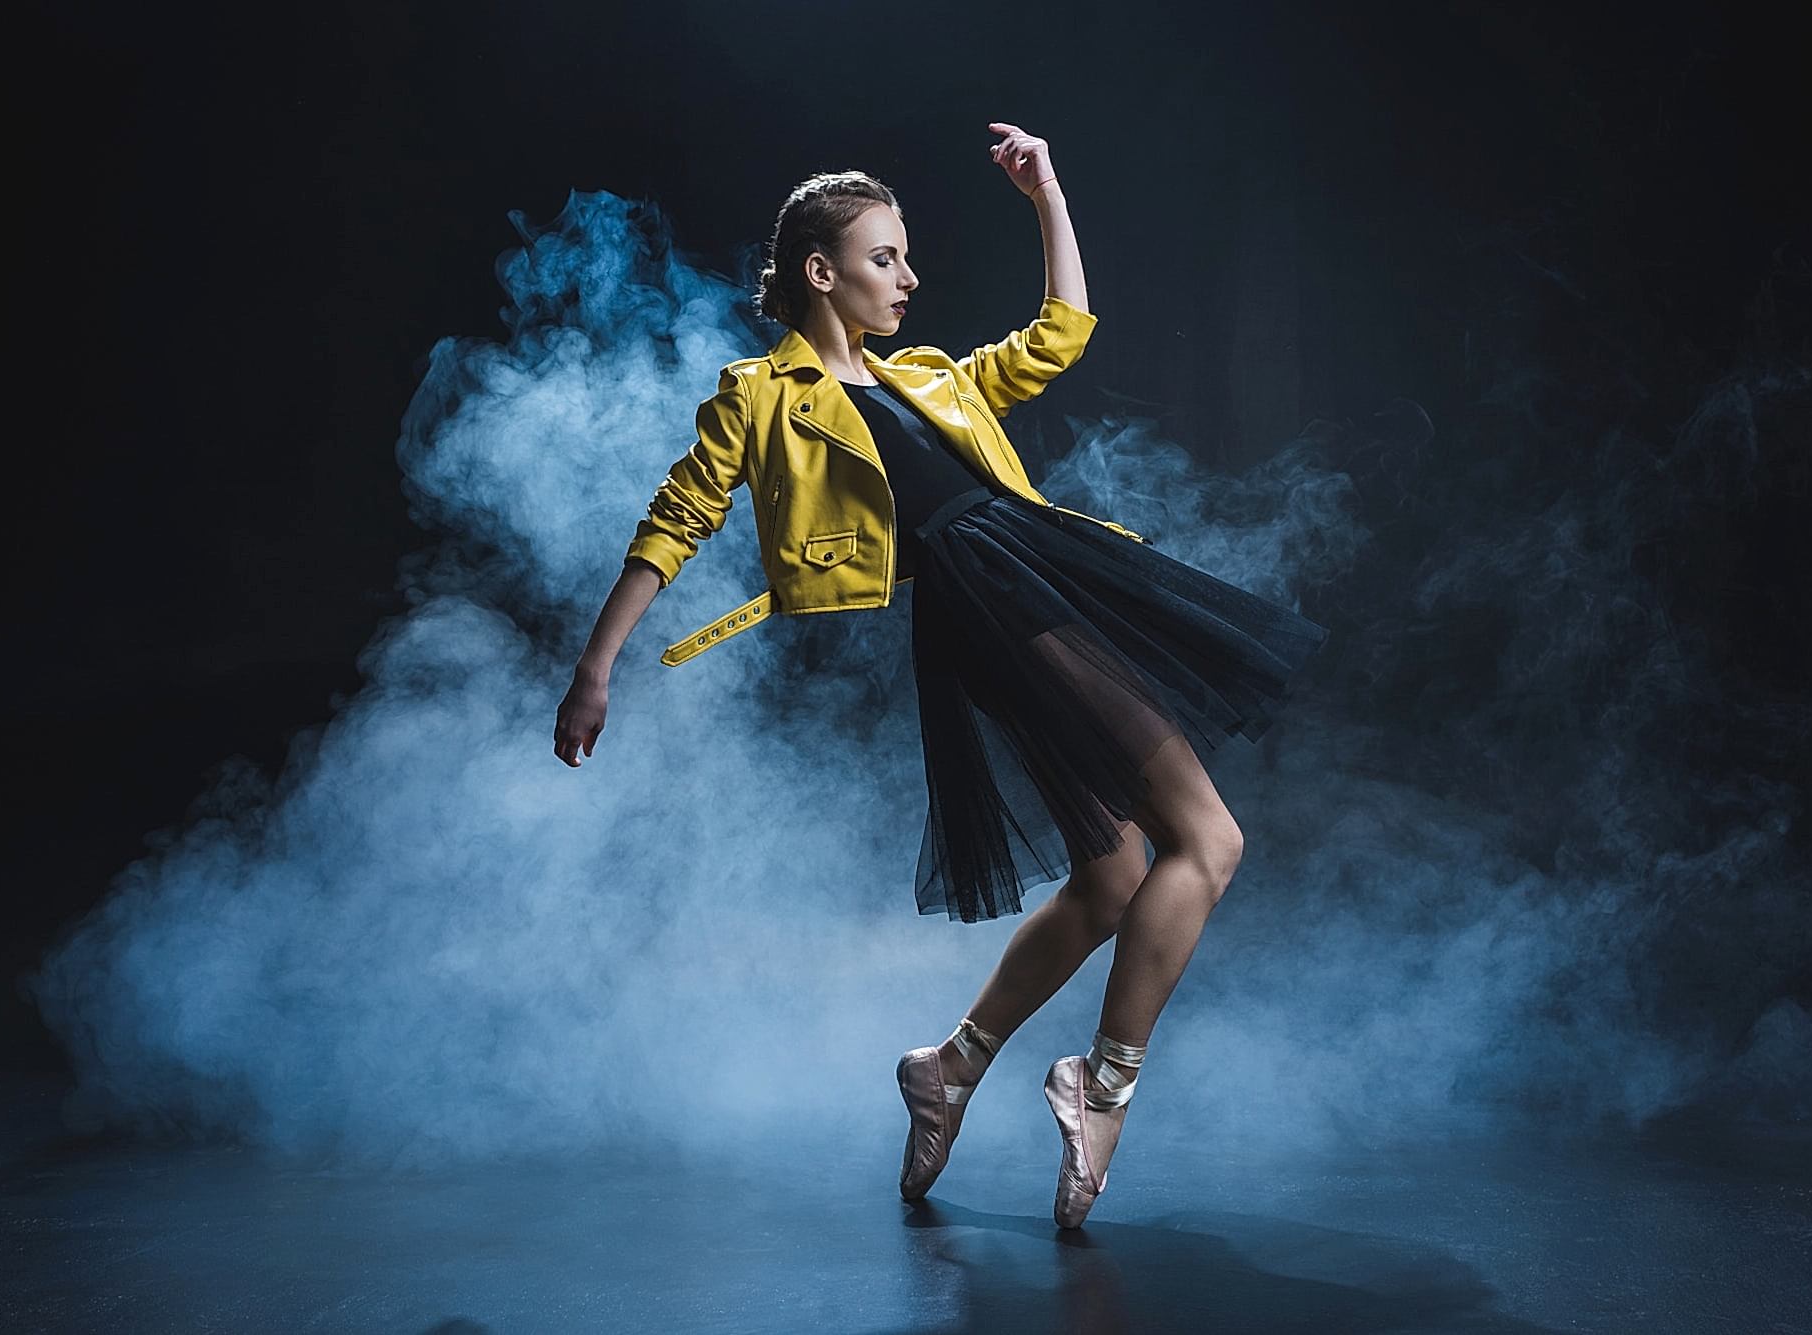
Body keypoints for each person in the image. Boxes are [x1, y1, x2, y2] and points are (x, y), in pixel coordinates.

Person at [554, 122, 1330, 1229]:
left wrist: (1045, 193)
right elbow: (679, 517)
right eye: (884, 258)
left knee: (1112, 875)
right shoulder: (759, 396)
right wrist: (597, 667)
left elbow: (1060, 334)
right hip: (994, 599)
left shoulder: (926, 377)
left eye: (907, 257)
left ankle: (947, 1068)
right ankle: (1098, 1085)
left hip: (1030, 571)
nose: (908, 278)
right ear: (819, 271)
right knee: (1207, 841)